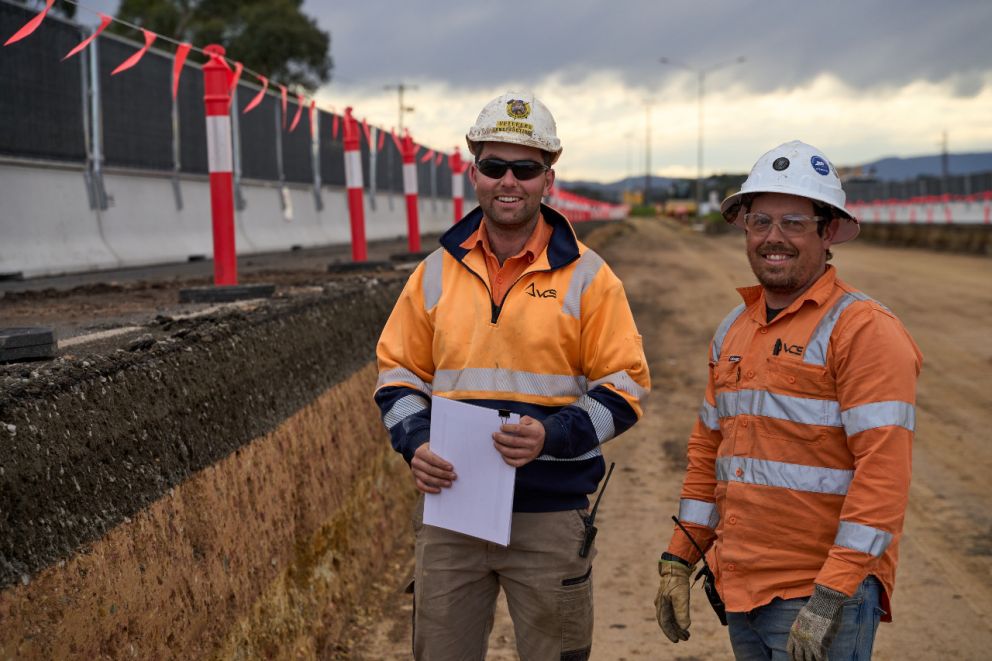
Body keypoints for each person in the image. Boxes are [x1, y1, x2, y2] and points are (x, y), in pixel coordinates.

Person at [374, 91, 650, 660]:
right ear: (473, 170)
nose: (509, 181)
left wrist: (553, 435)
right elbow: (397, 373)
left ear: (549, 177)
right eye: (494, 166)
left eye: (525, 168)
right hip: (452, 513)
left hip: (550, 519)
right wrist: (416, 442)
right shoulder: (434, 274)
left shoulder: (591, 279)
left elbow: (625, 385)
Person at [654, 140, 922, 661]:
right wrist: (679, 559)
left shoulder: (864, 330)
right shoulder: (734, 329)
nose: (774, 238)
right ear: (745, 229)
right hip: (741, 592)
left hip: (819, 595)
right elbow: (709, 456)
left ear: (827, 234)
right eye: (760, 221)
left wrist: (830, 595)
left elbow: (883, 477)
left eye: (795, 222)